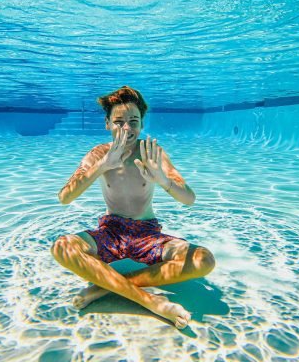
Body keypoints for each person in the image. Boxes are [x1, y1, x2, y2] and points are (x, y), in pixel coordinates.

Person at [51, 86, 215, 329]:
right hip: (111, 231)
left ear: (142, 123)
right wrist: (103, 166)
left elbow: (189, 199)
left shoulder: (152, 153)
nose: (126, 128)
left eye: (133, 121)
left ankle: (105, 288)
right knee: (62, 247)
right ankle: (150, 302)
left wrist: (163, 180)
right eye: (118, 122)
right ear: (107, 123)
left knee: (204, 260)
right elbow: (64, 197)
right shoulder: (98, 154)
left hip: (147, 233)